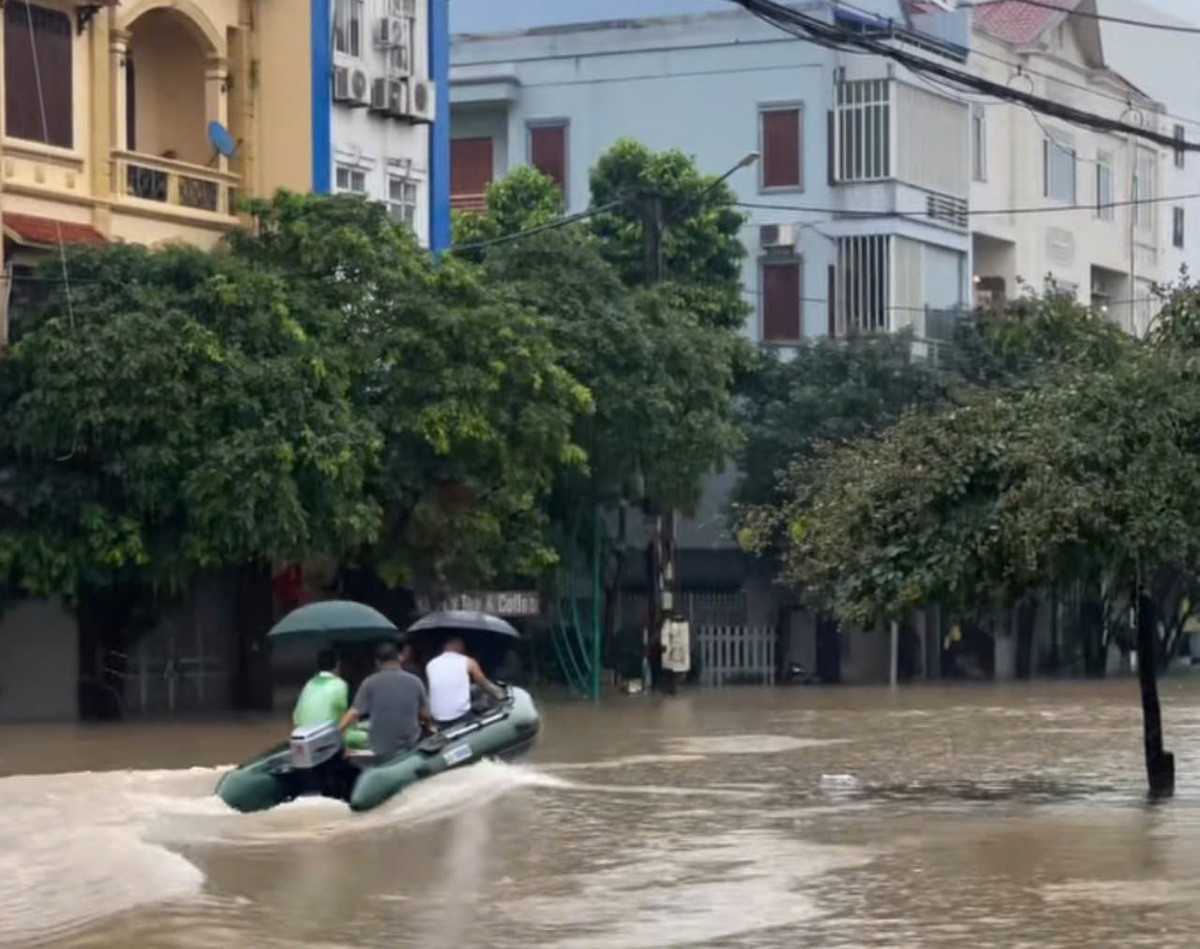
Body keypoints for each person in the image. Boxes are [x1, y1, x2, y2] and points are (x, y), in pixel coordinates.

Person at [338, 641, 431, 759]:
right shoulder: (415, 681)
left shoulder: (369, 683)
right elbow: (426, 715)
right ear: (399, 659)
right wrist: (428, 726)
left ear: (377, 663)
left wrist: (337, 733)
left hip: (381, 747)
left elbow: (354, 713)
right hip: (410, 744)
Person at [293, 648, 369, 750]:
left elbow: (296, 719)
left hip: (304, 738)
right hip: (330, 739)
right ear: (337, 665)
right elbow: (352, 717)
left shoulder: (309, 684)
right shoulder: (341, 685)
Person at [426, 635, 504, 726]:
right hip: (461, 716)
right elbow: (484, 684)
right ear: (460, 647)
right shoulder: (468, 661)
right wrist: (499, 696)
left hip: (437, 719)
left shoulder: (430, 664)